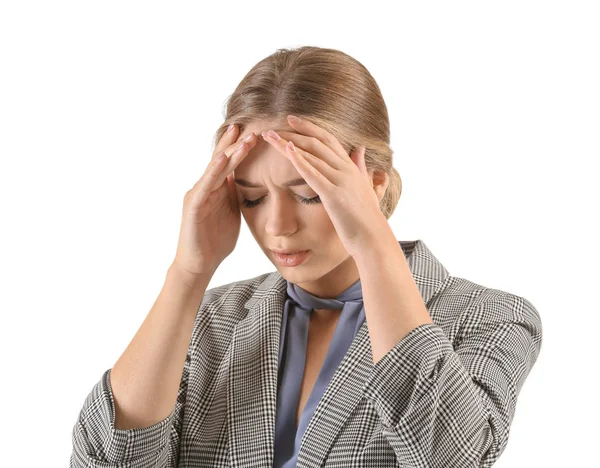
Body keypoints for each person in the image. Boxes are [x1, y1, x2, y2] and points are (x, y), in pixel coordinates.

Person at [69, 46, 543, 468]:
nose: (278, 226)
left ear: (374, 182)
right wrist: (188, 273)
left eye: (310, 194)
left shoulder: (489, 318)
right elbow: (105, 462)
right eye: (252, 199)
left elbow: (451, 457)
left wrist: (374, 247)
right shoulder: (212, 319)